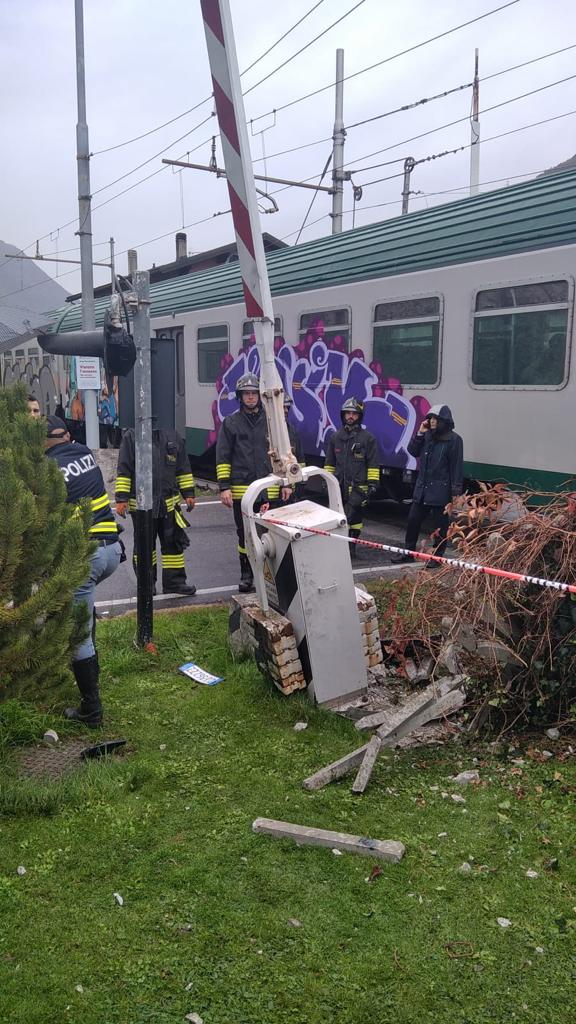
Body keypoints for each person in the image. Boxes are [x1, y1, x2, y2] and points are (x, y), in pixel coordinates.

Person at [44, 414, 122, 727]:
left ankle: (92, 710)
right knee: (84, 618)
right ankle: (90, 684)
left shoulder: (46, 469)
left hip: (85, 555)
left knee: (78, 635)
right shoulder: (86, 453)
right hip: (112, 551)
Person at [216, 373, 291, 593]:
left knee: (275, 533)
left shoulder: (272, 421)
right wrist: (224, 488)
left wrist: (287, 483)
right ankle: (247, 574)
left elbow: (286, 452)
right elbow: (223, 457)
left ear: (259, 396)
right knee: (246, 534)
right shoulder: (231, 423)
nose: (250, 397)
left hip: (271, 488)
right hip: (243, 491)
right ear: (240, 397)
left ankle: (273, 575)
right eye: (246, 394)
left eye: (253, 393)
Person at [115, 428, 196, 596]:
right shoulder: (132, 435)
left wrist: (188, 493)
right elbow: (124, 468)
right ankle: (146, 584)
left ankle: (175, 583)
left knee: (173, 544)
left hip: (168, 502)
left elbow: (182, 466)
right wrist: (121, 498)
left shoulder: (173, 434)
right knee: (145, 546)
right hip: (142, 504)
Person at [391, 403, 463, 569]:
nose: (431, 422)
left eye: (434, 419)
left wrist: (455, 492)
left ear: (444, 420)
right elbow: (413, 451)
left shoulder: (455, 440)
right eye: (429, 418)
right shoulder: (427, 436)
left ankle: (437, 557)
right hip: (422, 489)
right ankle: (408, 552)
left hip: (441, 491)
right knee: (413, 521)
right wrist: (419, 433)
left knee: (440, 527)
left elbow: (456, 467)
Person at [324, 397, 379, 556]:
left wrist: (373, 484)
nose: (350, 416)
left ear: (359, 416)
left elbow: (373, 463)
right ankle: (342, 549)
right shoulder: (336, 437)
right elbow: (330, 463)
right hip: (339, 486)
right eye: (347, 413)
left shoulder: (368, 438)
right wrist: (327, 482)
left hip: (358, 487)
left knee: (354, 519)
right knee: (341, 518)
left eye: (354, 414)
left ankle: (351, 547)